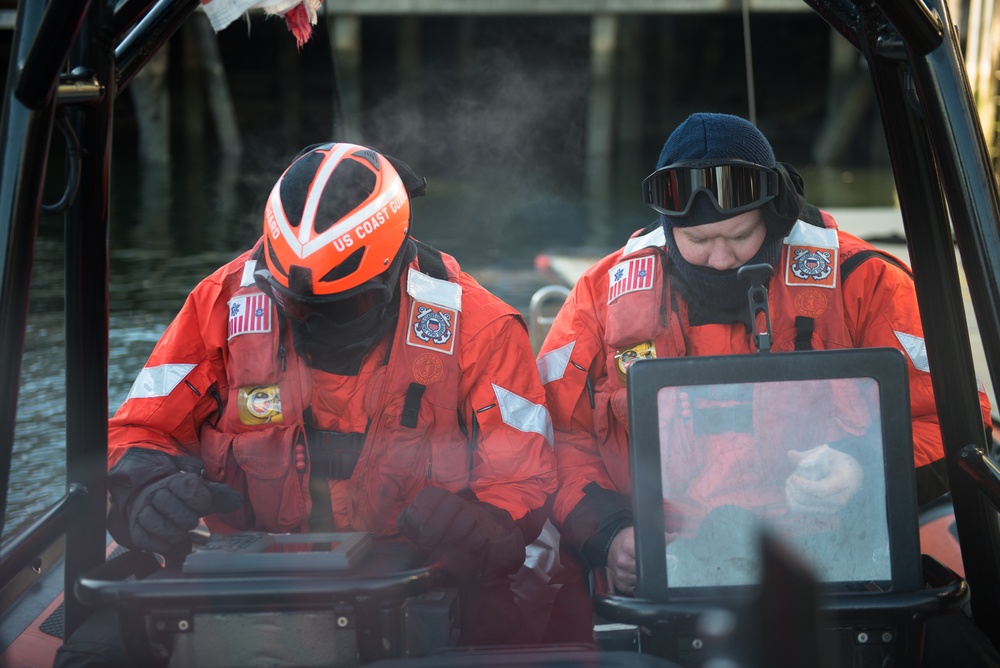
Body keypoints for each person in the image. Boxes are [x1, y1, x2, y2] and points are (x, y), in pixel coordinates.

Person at [57, 143, 558, 665]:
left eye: (342, 306)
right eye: (293, 304)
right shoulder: (219, 303)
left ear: (392, 270)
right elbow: (138, 429)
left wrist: (473, 526)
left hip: (415, 581)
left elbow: (525, 479)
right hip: (244, 580)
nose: (310, 323)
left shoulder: (480, 327)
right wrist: (146, 490)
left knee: (510, 645)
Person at [536, 113, 997, 661]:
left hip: (837, 569)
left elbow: (960, 421)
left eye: (739, 235)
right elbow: (555, 438)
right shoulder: (597, 299)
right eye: (699, 240)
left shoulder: (866, 282)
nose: (722, 257)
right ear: (666, 224)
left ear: (775, 214)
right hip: (664, 581)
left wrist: (862, 470)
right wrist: (609, 535)